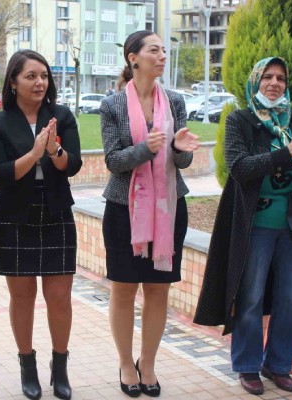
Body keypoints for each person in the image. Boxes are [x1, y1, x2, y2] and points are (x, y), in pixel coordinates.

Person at [193, 57, 292, 396]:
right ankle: (248, 366)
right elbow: (240, 167)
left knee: (289, 298)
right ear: (255, 81)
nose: (274, 83)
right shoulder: (240, 120)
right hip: (255, 224)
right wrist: (289, 151)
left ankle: (278, 365)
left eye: (281, 78)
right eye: (267, 76)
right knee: (250, 297)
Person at [100, 30, 200, 398]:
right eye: (154, 50)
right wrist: (146, 148)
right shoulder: (112, 105)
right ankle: (126, 363)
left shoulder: (175, 101)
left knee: (158, 290)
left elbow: (182, 162)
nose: (162, 56)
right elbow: (113, 161)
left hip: (169, 208)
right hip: (123, 209)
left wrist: (180, 149)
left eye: (164, 51)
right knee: (124, 289)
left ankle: (149, 363)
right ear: (133, 58)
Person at [0, 49, 82, 400]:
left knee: (59, 297)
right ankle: (27, 366)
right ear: (13, 82)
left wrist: (54, 150)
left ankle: (60, 366)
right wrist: (34, 153)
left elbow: (72, 166)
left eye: (43, 76)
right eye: (31, 76)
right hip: (14, 213)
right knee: (22, 296)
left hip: (55, 211)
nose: (39, 82)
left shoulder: (61, 116)